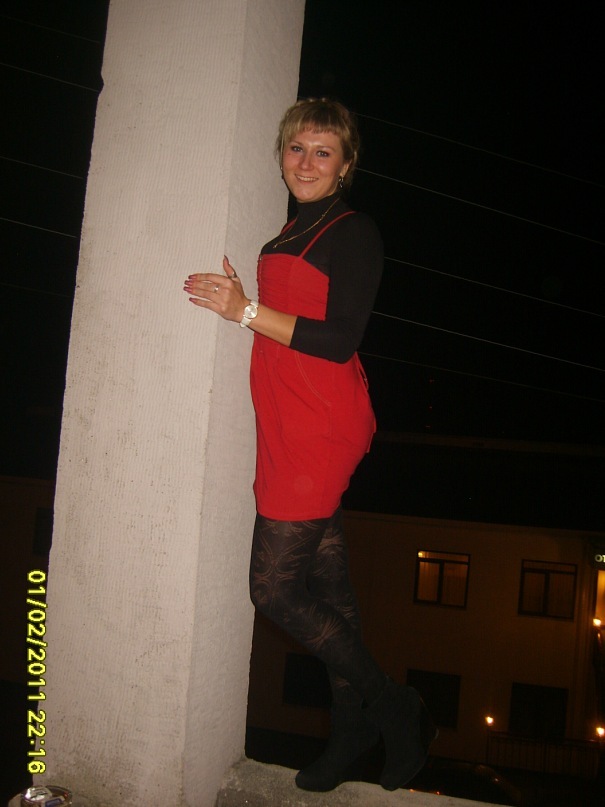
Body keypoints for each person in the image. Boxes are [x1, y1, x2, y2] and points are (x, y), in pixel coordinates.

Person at [183, 98, 435, 792]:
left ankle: (393, 705)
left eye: (323, 151)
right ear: (281, 154)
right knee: (328, 585)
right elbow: (287, 318)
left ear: (346, 164)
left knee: (272, 588)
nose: (306, 161)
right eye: (297, 147)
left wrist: (244, 310)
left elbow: (339, 338)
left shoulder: (354, 231)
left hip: (319, 421)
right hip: (286, 418)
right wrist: (247, 303)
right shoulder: (289, 233)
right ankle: (350, 727)